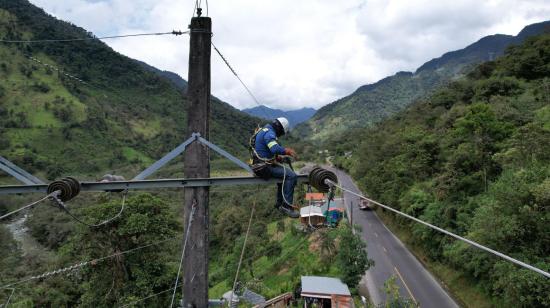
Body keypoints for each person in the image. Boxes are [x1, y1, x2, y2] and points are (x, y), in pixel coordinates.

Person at [250, 117, 299, 218]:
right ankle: (287, 206)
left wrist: (280, 158)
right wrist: (287, 151)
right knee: (291, 176)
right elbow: (274, 148)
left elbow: (265, 150)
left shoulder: (264, 130)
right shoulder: (270, 133)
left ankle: (279, 203)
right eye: (281, 133)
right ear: (279, 128)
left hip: (260, 166)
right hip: (263, 168)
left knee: (284, 176)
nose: (280, 135)